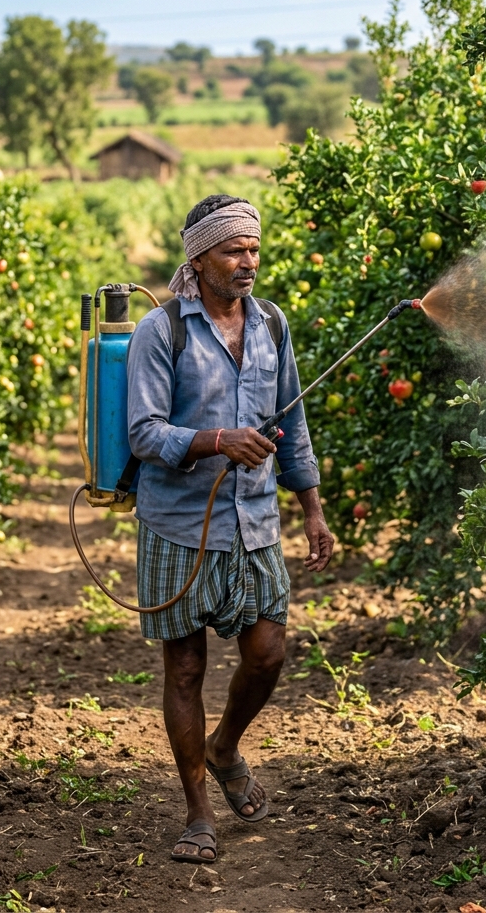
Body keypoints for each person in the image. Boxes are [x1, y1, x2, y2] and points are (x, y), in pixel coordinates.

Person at [126, 194, 334, 864]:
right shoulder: (164, 332)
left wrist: (312, 506)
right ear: (199, 258)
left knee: (268, 651)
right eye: (233, 251)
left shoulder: (272, 324)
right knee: (185, 668)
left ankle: (225, 747)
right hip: (180, 522)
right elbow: (144, 431)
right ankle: (196, 815)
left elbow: (292, 420)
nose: (248, 263)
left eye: (253, 250)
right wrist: (218, 440)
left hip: (255, 520)